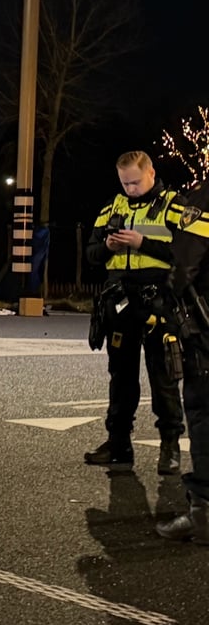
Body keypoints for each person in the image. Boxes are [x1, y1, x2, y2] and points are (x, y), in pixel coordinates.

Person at [83, 150, 185, 474]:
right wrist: (108, 248)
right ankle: (118, 444)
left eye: (136, 182)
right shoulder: (111, 208)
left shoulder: (174, 206)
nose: (130, 189)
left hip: (158, 301)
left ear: (151, 174)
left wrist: (143, 243)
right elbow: (91, 254)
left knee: (163, 377)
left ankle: (170, 447)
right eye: (125, 183)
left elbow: (189, 252)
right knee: (121, 377)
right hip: (120, 302)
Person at [156, 179, 209, 542]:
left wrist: (168, 304)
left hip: (206, 327)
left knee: (204, 411)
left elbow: (185, 261)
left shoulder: (205, 197)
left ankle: (204, 513)